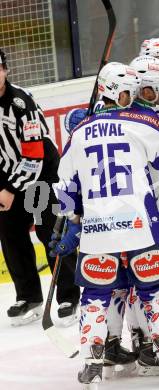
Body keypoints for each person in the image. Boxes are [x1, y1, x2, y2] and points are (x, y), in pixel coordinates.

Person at [51, 60, 159, 386]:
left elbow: (65, 189)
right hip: (139, 227)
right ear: (119, 93)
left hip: (98, 233)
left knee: (94, 296)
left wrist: (71, 223)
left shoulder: (79, 133)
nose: (132, 97)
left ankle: (92, 360)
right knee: (154, 290)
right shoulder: (140, 122)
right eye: (129, 92)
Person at [0, 48, 80, 326]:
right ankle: (28, 296)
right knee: (10, 233)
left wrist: (9, 188)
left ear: (5, 70)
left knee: (51, 231)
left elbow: (34, 156)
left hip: (42, 171)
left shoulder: (21, 103)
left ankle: (69, 295)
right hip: (8, 175)